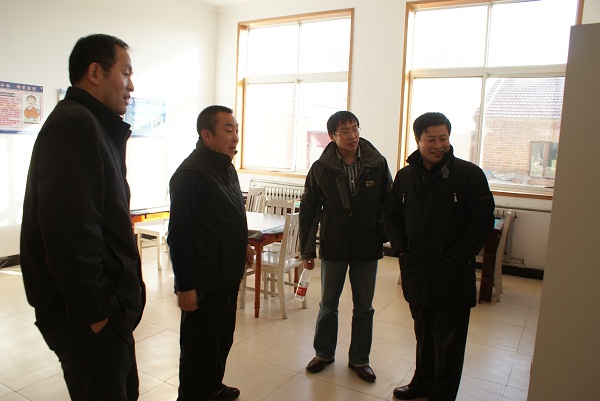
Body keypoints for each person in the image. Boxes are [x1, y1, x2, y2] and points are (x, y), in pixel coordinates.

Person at [20, 34, 145, 400]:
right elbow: (70, 233)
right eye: (125, 73)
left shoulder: (92, 124)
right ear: (94, 72)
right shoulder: (75, 125)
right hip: (89, 320)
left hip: (103, 316)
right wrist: (98, 315)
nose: (131, 85)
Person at [385, 112, 495, 400]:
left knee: (449, 341)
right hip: (417, 270)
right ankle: (422, 383)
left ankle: (442, 394)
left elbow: (482, 221)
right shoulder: (406, 176)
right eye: (431, 139)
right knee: (424, 334)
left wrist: (458, 255)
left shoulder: (469, 175)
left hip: (452, 273)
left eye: (443, 138)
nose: (438, 145)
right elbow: (392, 215)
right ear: (418, 140)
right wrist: (401, 248)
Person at [167, 105, 254, 401]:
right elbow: (179, 235)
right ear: (207, 135)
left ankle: (212, 387)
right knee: (198, 349)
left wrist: (243, 244)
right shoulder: (191, 175)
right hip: (205, 279)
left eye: (236, 130)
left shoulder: (225, 166)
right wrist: (186, 286)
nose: (235, 137)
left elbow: (232, 212)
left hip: (226, 274)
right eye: (228, 130)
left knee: (220, 340)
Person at [299, 111, 393, 382]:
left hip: (366, 246)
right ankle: (323, 353)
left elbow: (388, 201)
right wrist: (307, 250)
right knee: (328, 303)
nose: (352, 136)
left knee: (364, 306)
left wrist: (380, 232)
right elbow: (309, 211)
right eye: (345, 131)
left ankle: (360, 359)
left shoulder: (376, 163)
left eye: (355, 129)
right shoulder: (321, 168)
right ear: (332, 136)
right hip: (334, 244)